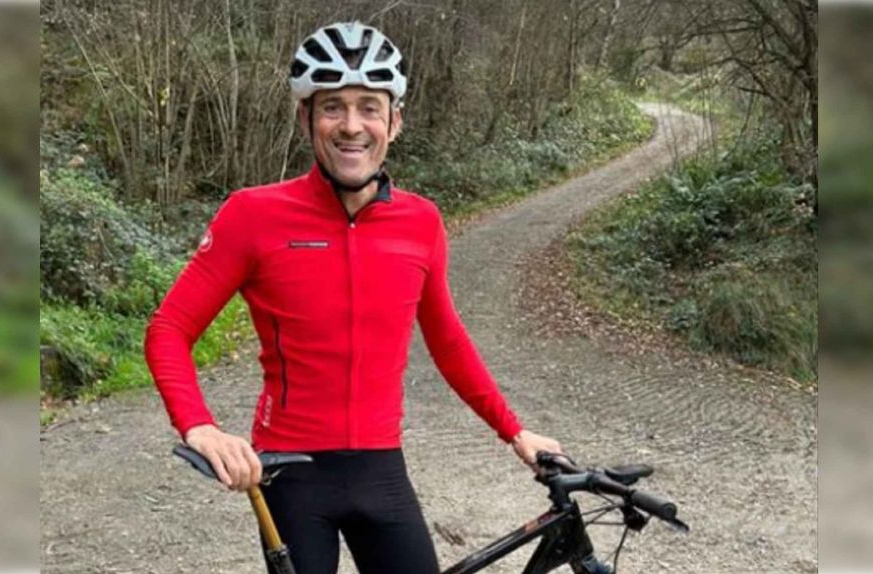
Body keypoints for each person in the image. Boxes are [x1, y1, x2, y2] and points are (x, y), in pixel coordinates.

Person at [144, 21, 563, 574]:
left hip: (380, 469)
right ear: (305, 119)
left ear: (395, 121)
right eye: (332, 107)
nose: (351, 125)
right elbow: (169, 329)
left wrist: (514, 430)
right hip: (290, 472)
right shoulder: (253, 215)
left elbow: (448, 341)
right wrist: (199, 426)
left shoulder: (421, 222)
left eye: (369, 107)